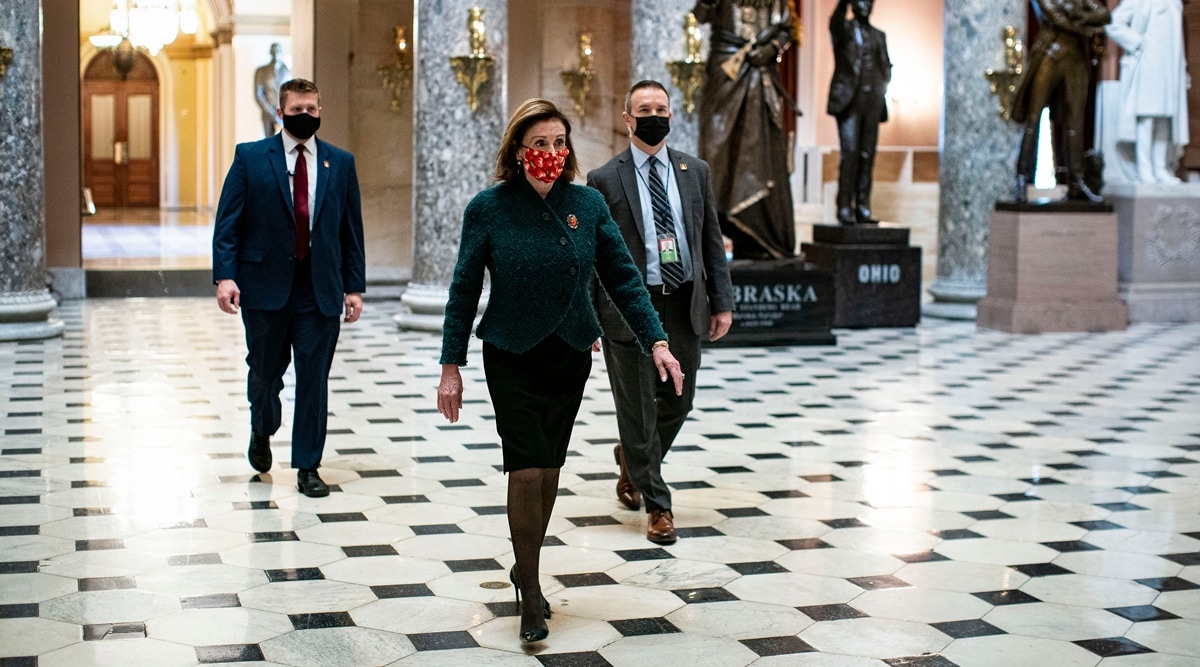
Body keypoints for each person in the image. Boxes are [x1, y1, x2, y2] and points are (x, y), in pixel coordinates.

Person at [436, 99, 685, 645]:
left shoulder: (588, 205)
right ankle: (529, 588)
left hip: (569, 352)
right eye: (539, 144)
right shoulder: (489, 208)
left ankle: (525, 566)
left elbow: (623, 279)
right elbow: (462, 289)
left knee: (549, 468)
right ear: (518, 152)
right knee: (525, 467)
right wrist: (450, 365)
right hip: (510, 353)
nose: (551, 153)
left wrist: (658, 342)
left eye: (558, 143)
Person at [588, 81, 735, 545]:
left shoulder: (697, 171)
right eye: (644, 109)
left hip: (684, 302)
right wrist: (589, 314)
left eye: (661, 108)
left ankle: (632, 461)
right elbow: (593, 255)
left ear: (671, 116)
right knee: (638, 413)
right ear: (627, 119)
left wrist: (723, 302)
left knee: (678, 400)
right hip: (630, 308)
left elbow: (710, 238)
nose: (654, 115)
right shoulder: (604, 179)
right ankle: (659, 506)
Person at [213, 78, 366, 499]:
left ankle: (308, 467)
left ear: (320, 112)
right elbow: (228, 223)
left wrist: (354, 287)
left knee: (314, 380)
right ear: (280, 113)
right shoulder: (250, 158)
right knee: (264, 375)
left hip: (319, 290)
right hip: (264, 288)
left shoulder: (341, 163)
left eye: (312, 109)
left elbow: (350, 230)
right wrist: (225, 276)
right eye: (297, 109)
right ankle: (261, 430)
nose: (305, 116)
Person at [693, 0, 797, 259]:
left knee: (760, 154)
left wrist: (772, 47)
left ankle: (757, 238)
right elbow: (702, 13)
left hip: (760, 73)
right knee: (717, 151)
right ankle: (718, 230)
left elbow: (786, 28)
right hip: (725, 71)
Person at [1011, 0, 1111, 202]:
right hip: (1049, 55)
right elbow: (1056, 19)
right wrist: (1090, 29)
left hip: (1076, 60)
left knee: (1075, 123)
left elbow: (1104, 14)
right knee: (1034, 119)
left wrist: (1083, 17)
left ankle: (1076, 183)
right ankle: (1022, 178)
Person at [1106, 0, 1189, 184]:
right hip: (1147, 64)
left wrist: (1182, 68)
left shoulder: (1174, 3)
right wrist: (1137, 41)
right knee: (1147, 117)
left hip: (1170, 67)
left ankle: (1160, 167)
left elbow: (1179, 40)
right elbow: (1113, 22)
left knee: (1164, 119)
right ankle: (1144, 168)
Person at [828, 0, 892, 226]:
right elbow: (834, 23)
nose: (866, 5)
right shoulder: (844, 30)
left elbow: (886, 65)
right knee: (851, 154)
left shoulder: (879, 35)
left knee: (867, 155)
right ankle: (844, 207)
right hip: (849, 102)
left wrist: (881, 85)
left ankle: (863, 206)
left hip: (872, 101)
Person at [254, 43, 291, 137]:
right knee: (269, 143)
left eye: (278, 50)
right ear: (270, 52)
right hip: (268, 112)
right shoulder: (261, 71)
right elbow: (258, 94)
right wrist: (271, 111)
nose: (276, 53)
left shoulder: (286, 70)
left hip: (283, 112)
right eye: (273, 50)